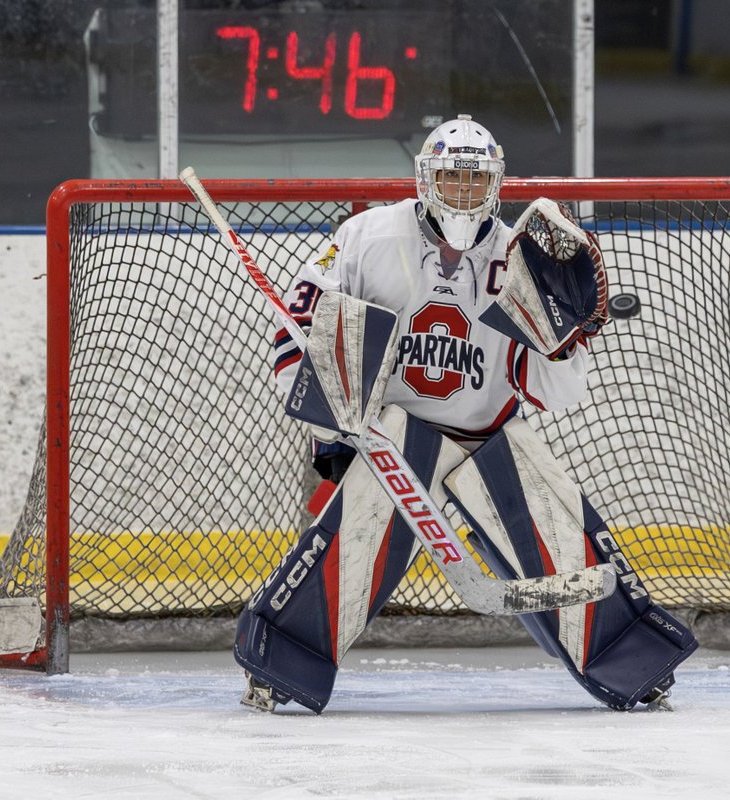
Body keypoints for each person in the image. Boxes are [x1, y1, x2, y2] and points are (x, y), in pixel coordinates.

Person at [234, 114, 698, 714]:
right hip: (393, 432)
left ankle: (631, 660)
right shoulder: (366, 237)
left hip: (488, 434)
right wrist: (334, 424)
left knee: (561, 535)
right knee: (353, 540)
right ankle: (278, 660)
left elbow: (559, 393)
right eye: (450, 179)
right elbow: (296, 332)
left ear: (496, 185)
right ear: (425, 180)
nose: (462, 193)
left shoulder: (520, 259)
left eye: (474, 182)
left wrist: (567, 338)